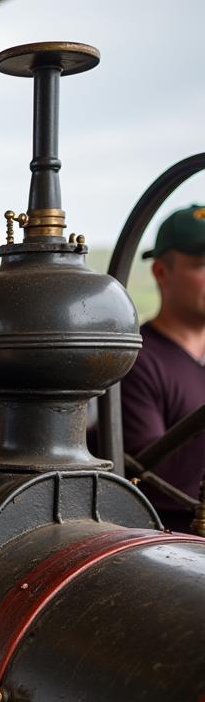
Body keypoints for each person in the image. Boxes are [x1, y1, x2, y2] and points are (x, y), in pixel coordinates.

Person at [121, 204, 205, 532]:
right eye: (201, 265)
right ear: (160, 273)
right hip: (175, 548)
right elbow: (152, 480)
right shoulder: (137, 360)